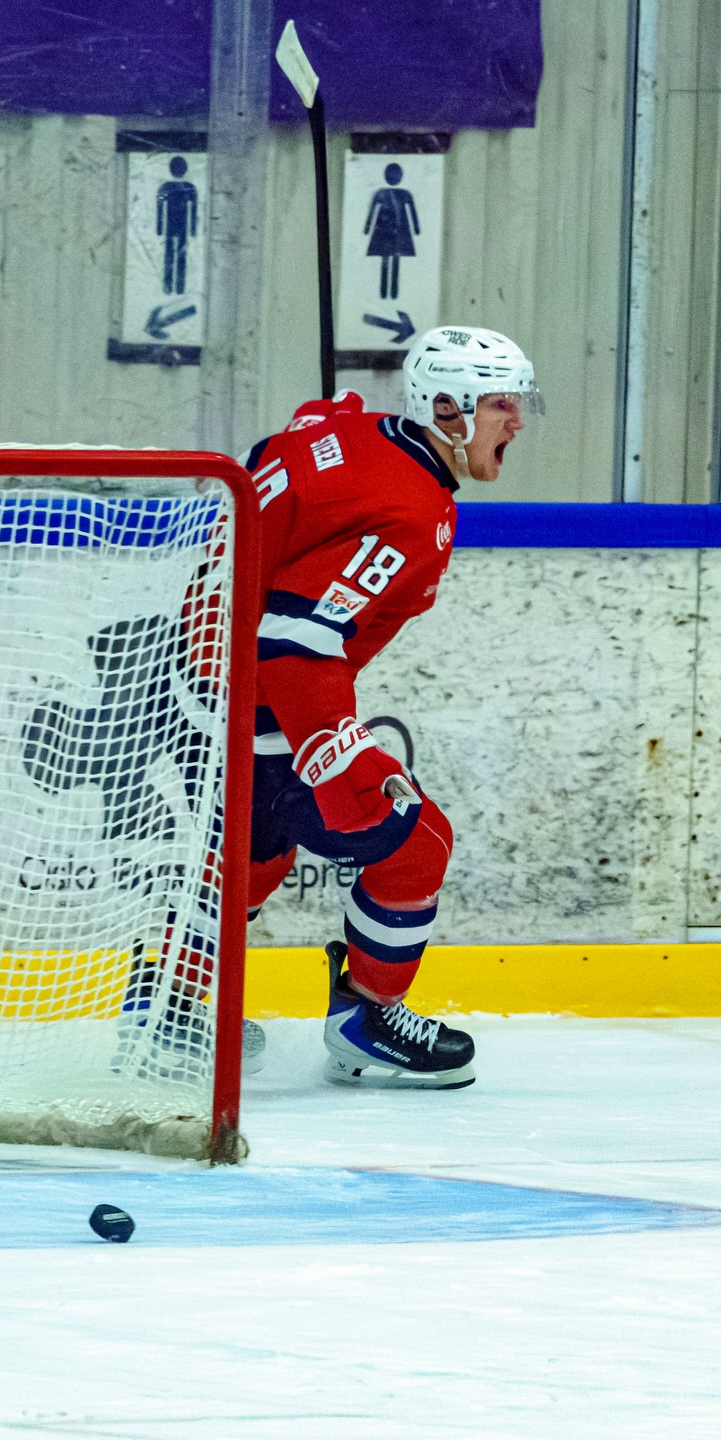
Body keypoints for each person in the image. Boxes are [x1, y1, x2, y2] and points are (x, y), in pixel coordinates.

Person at [239, 326, 541, 1087]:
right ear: (446, 409)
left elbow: (286, 444)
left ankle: (171, 1007)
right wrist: (332, 754)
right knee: (415, 840)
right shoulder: (406, 509)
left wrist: (317, 426)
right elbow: (294, 635)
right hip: (261, 694)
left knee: (257, 854)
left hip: (208, 676)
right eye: (501, 404)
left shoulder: (356, 433)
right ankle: (370, 1019)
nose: (518, 421)